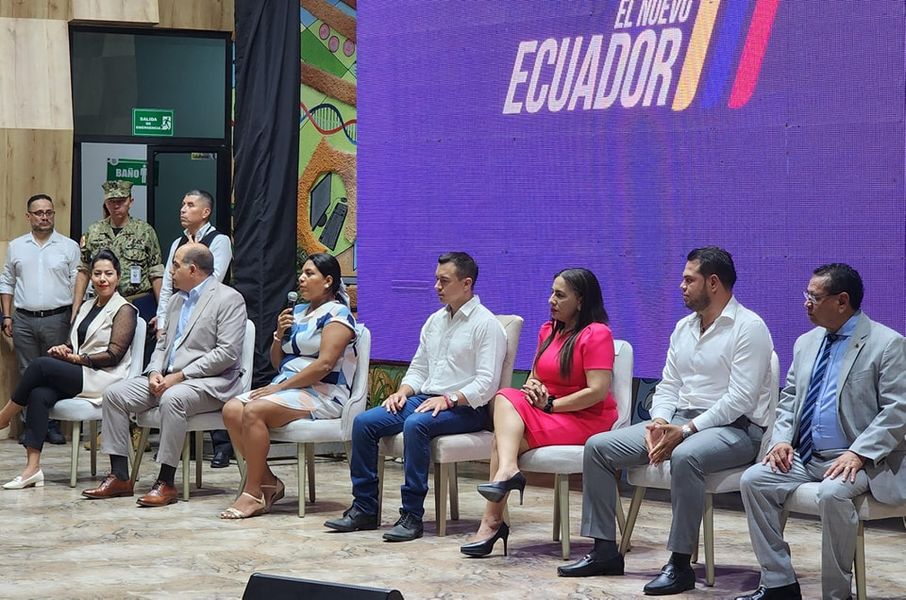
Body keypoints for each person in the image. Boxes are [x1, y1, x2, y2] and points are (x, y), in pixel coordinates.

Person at [559, 247, 774, 597]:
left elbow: (740, 400)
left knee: (686, 455)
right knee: (598, 447)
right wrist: (659, 422)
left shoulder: (749, 328)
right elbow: (669, 385)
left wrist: (685, 431)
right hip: (678, 421)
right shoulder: (683, 328)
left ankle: (679, 564)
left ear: (713, 283)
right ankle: (604, 551)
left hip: (735, 429)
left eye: (689, 280)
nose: (681, 286)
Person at [736, 264, 906, 600]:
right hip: (807, 454)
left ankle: (837, 594)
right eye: (807, 295)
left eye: (814, 297)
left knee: (832, 493)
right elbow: (789, 399)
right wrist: (781, 440)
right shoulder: (806, 342)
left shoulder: (888, 344)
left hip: (862, 461)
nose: (806, 303)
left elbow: (898, 410)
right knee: (754, 480)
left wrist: (859, 452)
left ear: (842, 301)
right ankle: (779, 583)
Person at [325, 252, 506, 542]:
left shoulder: (486, 324)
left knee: (416, 425)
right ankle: (364, 508)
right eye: (436, 279)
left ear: (467, 283)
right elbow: (419, 368)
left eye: (444, 281)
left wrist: (449, 399)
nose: (436, 286)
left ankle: (411, 515)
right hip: (426, 399)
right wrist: (403, 391)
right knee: (364, 423)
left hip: (467, 407)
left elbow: (487, 383)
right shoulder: (435, 321)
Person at [461, 268, 618, 557]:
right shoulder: (548, 330)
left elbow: (596, 391)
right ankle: (506, 476)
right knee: (506, 397)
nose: (551, 300)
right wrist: (534, 388)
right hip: (548, 411)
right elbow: (535, 376)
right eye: (551, 293)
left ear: (581, 300)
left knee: (501, 439)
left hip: (585, 418)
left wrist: (551, 404)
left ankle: (492, 522)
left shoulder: (597, 334)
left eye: (560, 295)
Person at [81, 244, 246, 507]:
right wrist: (155, 372)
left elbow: (227, 353)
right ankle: (119, 476)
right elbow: (162, 344)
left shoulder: (229, 299)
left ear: (193, 270)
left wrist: (180, 376)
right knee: (114, 394)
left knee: (173, 398)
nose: (170, 272)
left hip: (211, 383)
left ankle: (166, 482)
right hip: (168, 378)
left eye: (176, 266)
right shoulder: (177, 300)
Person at [219, 253, 357, 519]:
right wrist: (278, 336)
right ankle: (268, 482)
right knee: (232, 409)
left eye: (309, 274)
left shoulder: (338, 314)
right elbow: (277, 363)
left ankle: (253, 493)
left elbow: (324, 365)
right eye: (302, 273)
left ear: (328, 281)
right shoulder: (297, 312)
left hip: (321, 393)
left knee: (254, 410)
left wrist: (279, 389)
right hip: (289, 388)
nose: (301, 279)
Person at [0, 250, 137, 489]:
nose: (102, 279)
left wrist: (78, 358)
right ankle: (32, 469)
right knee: (38, 394)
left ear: (118, 276)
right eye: (97, 274)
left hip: (104, 377)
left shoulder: (124, 309)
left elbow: (114, 355)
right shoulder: (86, 305)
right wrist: (65, 349)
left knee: (40, 365)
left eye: (108, 274)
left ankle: (4, 416)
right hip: (82, 370)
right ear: (90, 277)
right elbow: (75, 342)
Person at [155, 189, 234, 469]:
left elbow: (213, 279)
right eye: (182, 204)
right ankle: (174, 446)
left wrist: (196, 252)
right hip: (181, 315)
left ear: (205, 211)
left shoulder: (219, 240)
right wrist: (162, 321)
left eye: (190, 205)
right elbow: (168, 285)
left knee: (207, 371)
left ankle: (222, 447)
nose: (183, 209)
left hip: (208, 319)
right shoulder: (177, 242)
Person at [0, 193, 80, 445]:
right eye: (39, 213)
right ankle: (31, 426)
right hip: (23, 319)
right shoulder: (16, 246)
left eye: (49, 212)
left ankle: (51, 425)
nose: (44, 217)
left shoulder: (69, 247)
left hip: (58, 318)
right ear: (29, 216)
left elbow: (77, 285)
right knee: (27, 372)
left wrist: (75, 317)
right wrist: (7, 315)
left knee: (54, 371)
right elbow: (7, 281)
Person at [75, 180, 164, 324]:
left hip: (137, 302)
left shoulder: (145, 231)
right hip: (103, 302)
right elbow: (84, 270)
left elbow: (156, 273)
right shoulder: (94, 231)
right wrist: (76, 309)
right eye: (111, 201)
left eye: (121, 201)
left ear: (130, 201)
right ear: (106, 203)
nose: (116, 205)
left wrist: (162, 313)